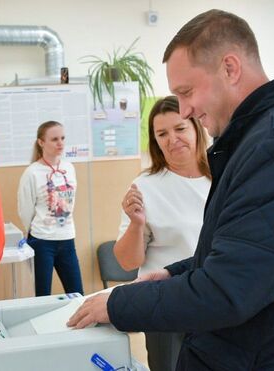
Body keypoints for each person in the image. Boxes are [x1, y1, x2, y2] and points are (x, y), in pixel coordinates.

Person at [69, 9, 274, 370]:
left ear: (230, 68)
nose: (187, 109)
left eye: (187, 92)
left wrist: (116, 305)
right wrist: (176, 274)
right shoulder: (267, 136)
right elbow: (258, 251)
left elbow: (230, 290)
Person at [113, 96, 211, 371]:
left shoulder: (222, 177)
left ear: (196, 129)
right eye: (162, 134)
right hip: (165, 305)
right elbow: (128, 262)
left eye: (180, 129)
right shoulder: (146, 186)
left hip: (215, 300)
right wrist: (136, 223)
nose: (172, 139)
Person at [18, 121, 84, 296]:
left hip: (67, 238)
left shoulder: (69, 168)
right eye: (54, 139)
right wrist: (37, 231)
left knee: (77, 293)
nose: (60, 143)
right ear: (41, 142)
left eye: (62, 138)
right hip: (41, 241)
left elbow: (71, 202)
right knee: (42, 295)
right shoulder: (32, 173)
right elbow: (25, 210)